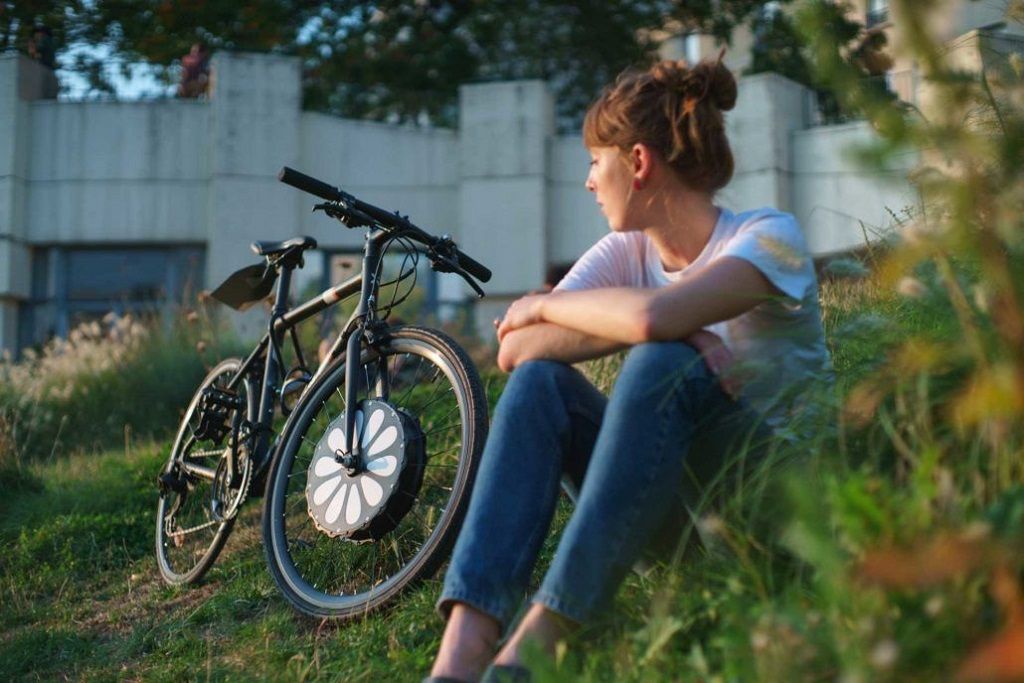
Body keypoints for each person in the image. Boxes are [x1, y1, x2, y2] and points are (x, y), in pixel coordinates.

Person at [425, 55, 831, 683]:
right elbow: (515, 352)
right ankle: (463, 651)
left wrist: (549, 303)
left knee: (664, 358)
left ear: (638, 163)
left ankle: (540, 642)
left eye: (595, 162)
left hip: (776, 515)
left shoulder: (769, 237)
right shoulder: (628, 251)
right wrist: (677, 327)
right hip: (674, 525)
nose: (589, 182)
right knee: (542, 385)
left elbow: (651, 322)